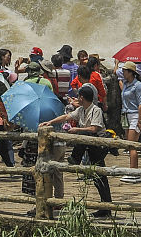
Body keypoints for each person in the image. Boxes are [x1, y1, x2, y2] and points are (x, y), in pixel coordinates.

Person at [41, 85, 112, 217]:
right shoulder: (81, 110)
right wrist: (49, 122)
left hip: (98, 144)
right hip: (89, 144)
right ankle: (105, 207)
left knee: (100, 175)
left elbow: (94, 129)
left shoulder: (96, 110)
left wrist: (77, 130)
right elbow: (66, 117)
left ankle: (106, 207)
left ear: (82, 97)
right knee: (98, 176)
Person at [118, 61, 141, 181]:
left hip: (135, 115)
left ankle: (134, 171)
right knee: (129, 144)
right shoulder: (125, 83)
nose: (123, 73)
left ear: (130, 72)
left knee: (132, 144)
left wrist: (139, 120)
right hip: (126, 114)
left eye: (124, 71)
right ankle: (132, 169)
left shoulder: (138, 85)